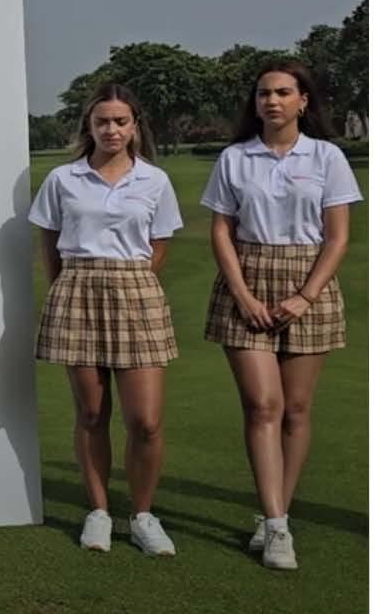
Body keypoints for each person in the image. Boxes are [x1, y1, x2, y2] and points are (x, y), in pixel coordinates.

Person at [200, 61, 361, 571]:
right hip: (246, 279)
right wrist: (243, 295)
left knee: (295, 409)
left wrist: (306, 296)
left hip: (308, 282)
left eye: (283, 92)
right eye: (263, 93)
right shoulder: (234, 157)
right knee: (262, 405)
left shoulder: (327, 156)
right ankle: (275, 526)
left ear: (303, 101)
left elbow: (338, 237)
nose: (271, 101)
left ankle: (277, 516)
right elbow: (221, 230)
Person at [29, 84, 183, 557]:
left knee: (146, 422)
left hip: (136, 291)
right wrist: (66, 288)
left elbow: (160, 243)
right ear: (89, 126)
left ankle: (143, 516)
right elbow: (50, 241)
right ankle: (98, 511)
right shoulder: (63, 178)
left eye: (120, 121)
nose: (111, 130)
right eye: (102, 122)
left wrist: (131, 283)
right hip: (77, 289)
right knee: (92, 414)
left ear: (134, 126)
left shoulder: (154, 180)